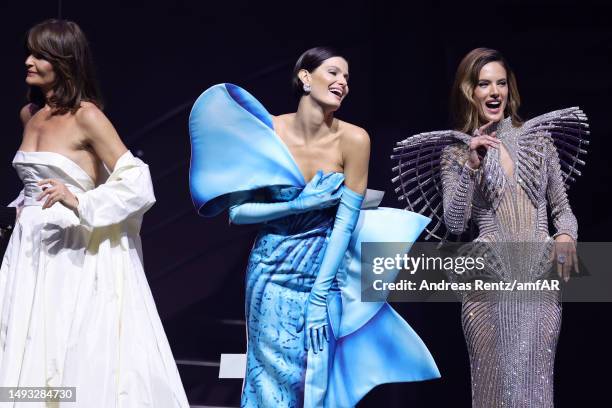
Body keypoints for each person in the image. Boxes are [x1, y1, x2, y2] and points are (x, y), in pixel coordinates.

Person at [189, 47, 439, 407]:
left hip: (323, 274)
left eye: (347, 78)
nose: (342, 83)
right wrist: (298, 204)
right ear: (305, 77)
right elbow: (237, 213)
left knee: (318, 380)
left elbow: (345, 223)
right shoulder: (268, 131)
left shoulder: (355, 139)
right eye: (334, 73)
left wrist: (320, 294)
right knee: (267, 382)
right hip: (270, 273)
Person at [0, 19, 189, 407]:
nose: (29, 62)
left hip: (71, 247)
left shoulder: (87, 115)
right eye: (29, 53)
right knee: (26, 337)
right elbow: (37, 177)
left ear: (63, 61)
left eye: (40, 55)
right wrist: (23, 208)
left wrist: (80, 200)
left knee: (67, 341)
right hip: (30, 249)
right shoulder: (29, 115)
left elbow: (136, 179)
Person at [391, 48, 589, 407]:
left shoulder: (540, 141)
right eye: (484, 84)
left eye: (501, 83)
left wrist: (565, 236)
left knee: (536, 385)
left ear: (510, 90)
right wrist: (471, 164)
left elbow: (562, 210)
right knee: (494, 387)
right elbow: (454, 222)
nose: (494, 92)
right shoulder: (456, 152)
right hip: (488, 276)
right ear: (470, 91)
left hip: (539, 275)